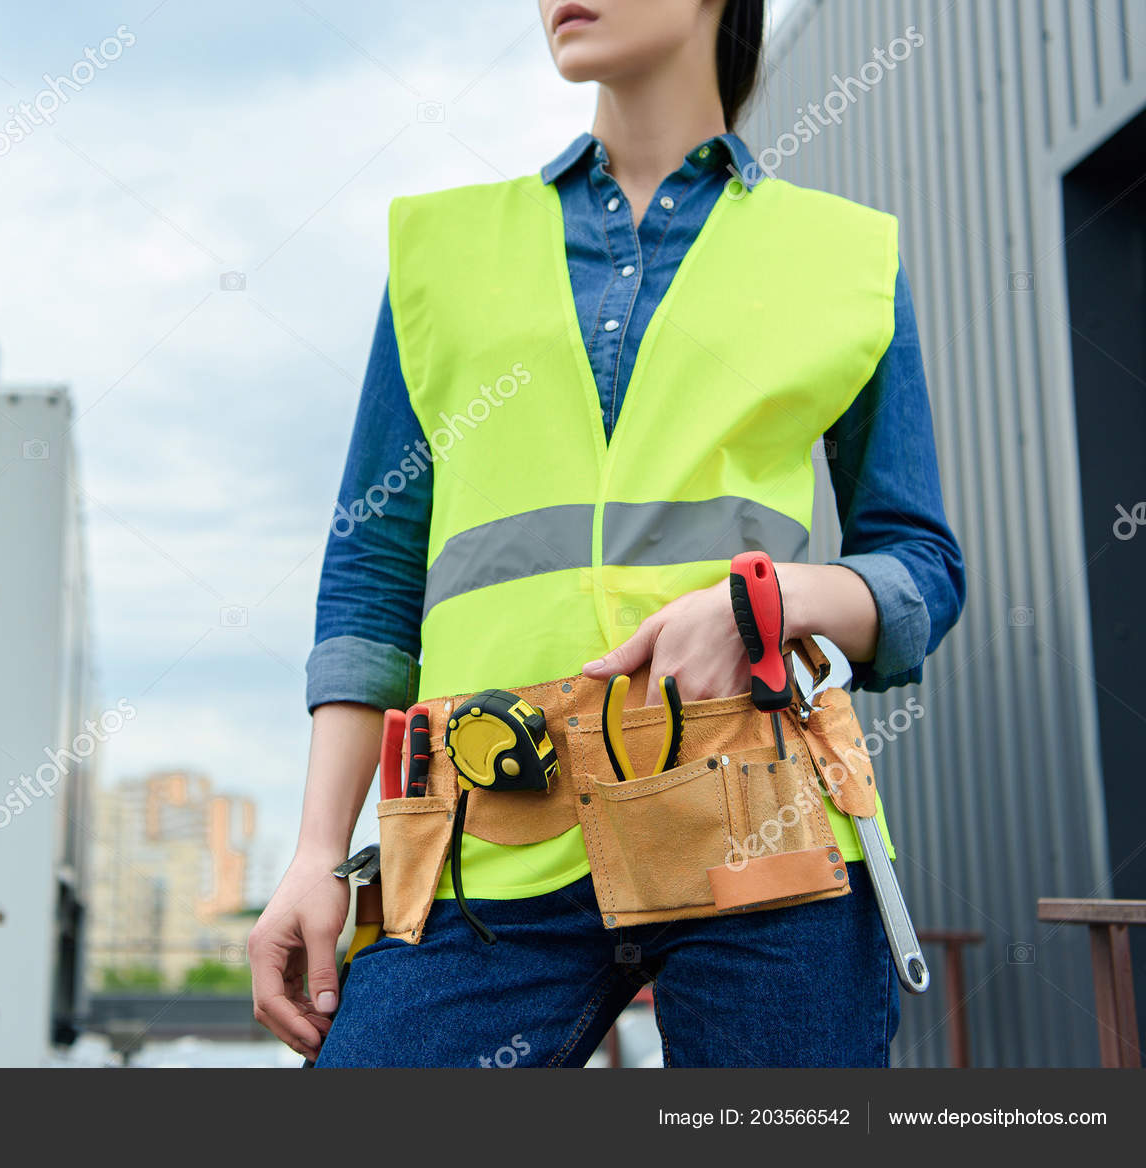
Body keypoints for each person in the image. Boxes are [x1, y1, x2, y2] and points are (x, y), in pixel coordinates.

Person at [249, 0, 964, 1068]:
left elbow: (919, 564)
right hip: (483, 836)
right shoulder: (442, 249)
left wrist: (774, 602)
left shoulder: (843, 256)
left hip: (757, 825)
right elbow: (371, 574)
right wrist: (314, 852)